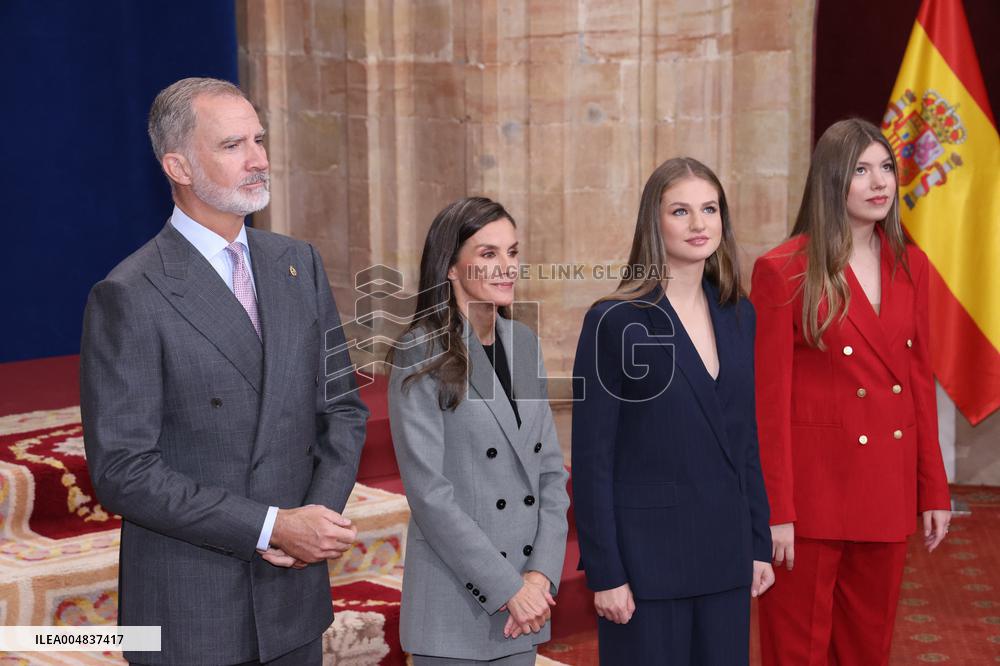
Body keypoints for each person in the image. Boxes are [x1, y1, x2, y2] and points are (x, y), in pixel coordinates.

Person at [80, 77, 369, 665]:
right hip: (193, 609)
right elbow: (124, 470)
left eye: (259, 139)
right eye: (233, 145)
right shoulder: (130, 292)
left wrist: (312, 523)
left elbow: (341, 408)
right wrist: (270, 528)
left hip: (294, 599)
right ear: (179, 166)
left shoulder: (298, 262)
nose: (260, 159)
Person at [751, 118, 952, 666]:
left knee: (868, 646)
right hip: (811, 497)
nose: (879, 182)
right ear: (831, 181)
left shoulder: (912, 265)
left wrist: (932, 488)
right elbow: (767, 403)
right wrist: (776, 509)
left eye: (885, 168)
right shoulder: (783, 269)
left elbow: (918, 381)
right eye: (861, 170)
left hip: (885, 489)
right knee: (798, 650)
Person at [572, 157, 774, 664]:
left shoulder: (739, 313)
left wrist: (757, 541)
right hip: (646, 566)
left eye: (709, 209)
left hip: (725, 554)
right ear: (654, 223)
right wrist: (606, 572)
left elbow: (745, 440)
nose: (699, 223)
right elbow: (593, 461)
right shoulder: (614, 321)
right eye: (681, 211)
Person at [386, 197, 570, 665]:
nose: (506, 267)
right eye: (488, 254)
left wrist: (540, 577)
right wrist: (508, 588)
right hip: (457, 607)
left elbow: (550, 472)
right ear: (450, 267)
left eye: (512, 252)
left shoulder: (522, 343)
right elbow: (429, 495)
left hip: (524, 610)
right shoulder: (420, 351)